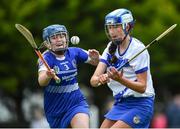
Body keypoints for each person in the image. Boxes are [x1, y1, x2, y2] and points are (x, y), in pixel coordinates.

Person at [90, 8, 155, 128]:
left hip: (141, 103)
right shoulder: (110, 48)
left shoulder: (137, 49)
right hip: (121, 103)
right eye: (110, 27)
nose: (112, 31)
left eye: (116, 26)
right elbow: (93, 80)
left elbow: (142, 87)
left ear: (127, 27)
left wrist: (120, 79)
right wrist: (101, 79)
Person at [38, 24, 100, 128]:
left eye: (61, 36)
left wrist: (97, 58)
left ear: (66, 38)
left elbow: (99, 62)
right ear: (47, 43)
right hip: (55, 108)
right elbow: (41, 81)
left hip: (76, 103)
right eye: (54, 37)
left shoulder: (75, 52)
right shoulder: (45, 58)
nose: (59, 40)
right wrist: (48, 75)